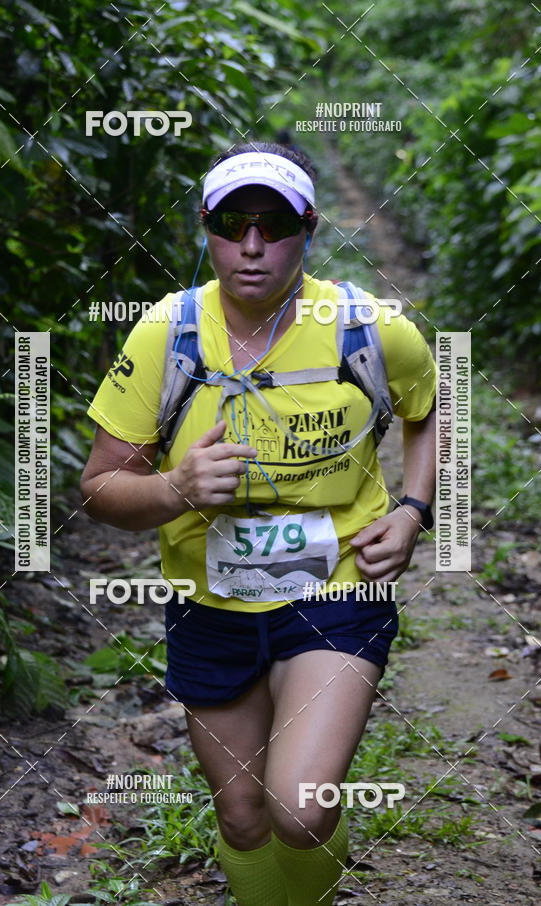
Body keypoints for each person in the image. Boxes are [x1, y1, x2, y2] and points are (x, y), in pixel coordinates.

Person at [81, 141, 437, 906]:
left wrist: (416, 511)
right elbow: (100, 486)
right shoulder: (166, 334)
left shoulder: (368, 328)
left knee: (300, 811)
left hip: (338, 588)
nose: (251, 246)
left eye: (274, 225)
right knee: (243, 819)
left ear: (309, 229)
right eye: (231, 222)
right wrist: (174, 489)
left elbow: (435, 412)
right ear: (204, 228)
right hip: (210, 602)